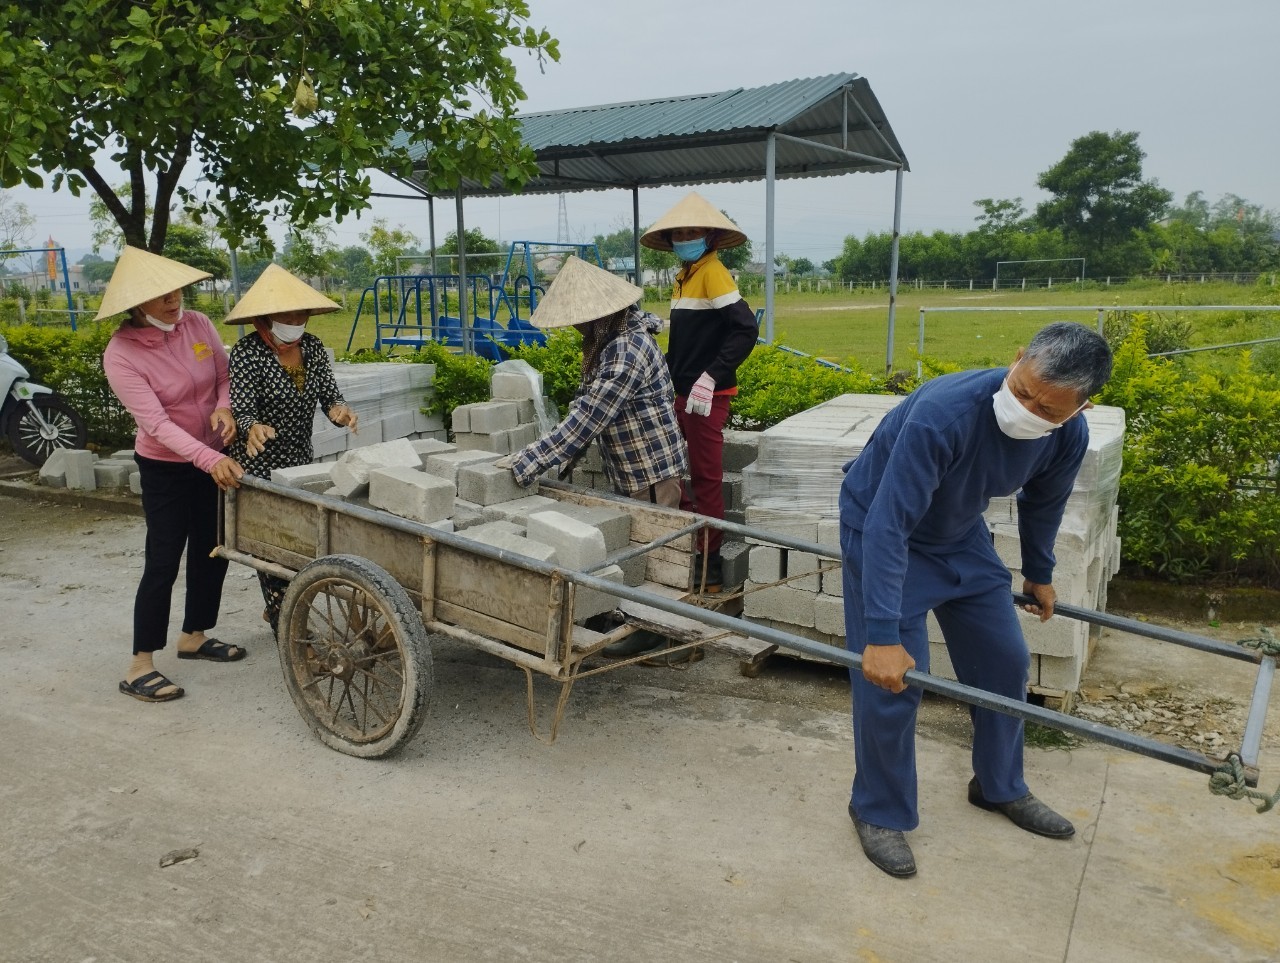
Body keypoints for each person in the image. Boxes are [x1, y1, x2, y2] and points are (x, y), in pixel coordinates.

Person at [839, 321, 1113, 878]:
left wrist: (1039, 571)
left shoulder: (1068, 436)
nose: (1029, 409)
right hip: (883, 529)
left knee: (1004, 663)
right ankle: (879, 810)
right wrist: (883, 636)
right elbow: (891, 523)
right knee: (894, 683)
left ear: (1080, 409)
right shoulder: (946, 412)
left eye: (1049, 408)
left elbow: (1044, 502)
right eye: (1023, 391)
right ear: (1017, 359)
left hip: (960, 535)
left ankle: (998, 786)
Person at [500, 256, 688, 658]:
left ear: (601, 315)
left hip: (651, 470)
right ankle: (640, 621)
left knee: (654, 555)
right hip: (632, 463)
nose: (577, 328)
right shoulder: (612, 340)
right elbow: (585, 403)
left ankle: (662, 633)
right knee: (638, 547)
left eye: (581, 321)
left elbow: (589, 417)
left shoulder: (626, 349)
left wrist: (527, 462)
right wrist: (557, 466)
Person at [100, 246, 247, 704]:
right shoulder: (121, 355)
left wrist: (224, 406)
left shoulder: (198, 324)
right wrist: (208, 458)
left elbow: (224, 375)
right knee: (163, 559)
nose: (173, 300)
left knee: (212, 549)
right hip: (166, 467)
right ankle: (140, 663)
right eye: (160, 295)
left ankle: (194, 636)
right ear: (135, 306)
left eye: (176, 290)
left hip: (212, 457)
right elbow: (158, 426)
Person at [224, 264, 359, 637]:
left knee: (299, 542)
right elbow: (244, 406)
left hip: (299, 461)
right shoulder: (247, 353)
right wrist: (253, 427)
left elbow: (329, 396)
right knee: (272, 547)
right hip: (258, 466)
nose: (296, 320)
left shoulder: (313, 348)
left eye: (301, 313)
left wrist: (340, 412)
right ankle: (288, 624)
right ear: (266, 318)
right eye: (287, 314)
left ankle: (280, 607)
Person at [640, 192, 757, 594]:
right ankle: (690, 547)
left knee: (706, 477)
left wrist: (711, 376)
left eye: (693, 231)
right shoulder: (685, 276)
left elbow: (745, 329)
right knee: (673, 470)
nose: (686, 237)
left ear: (708, 235)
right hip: (682, 392)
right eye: (680, 233)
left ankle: (708, 566)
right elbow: (691, 339)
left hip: (707, 395)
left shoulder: (713, 272)